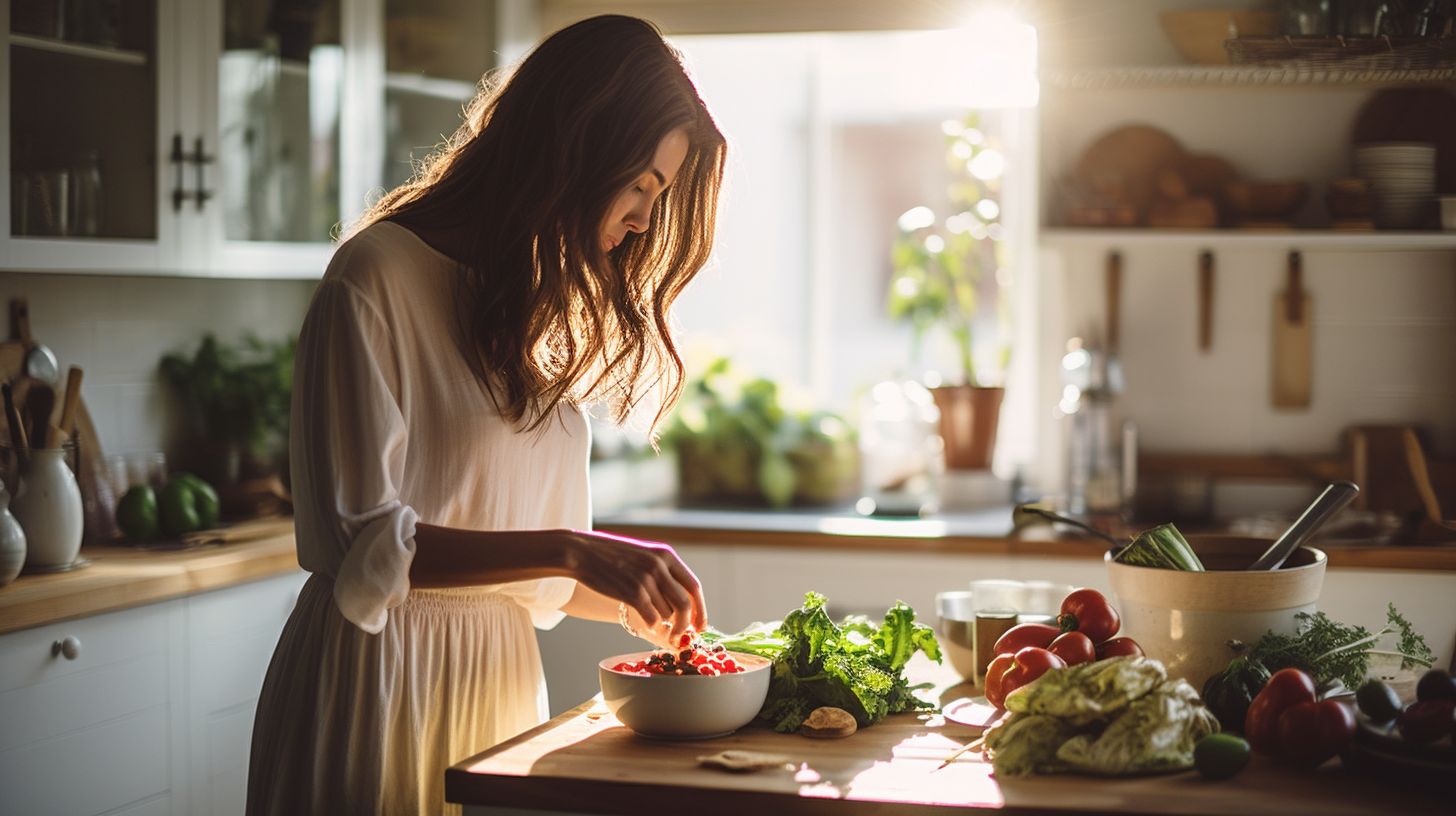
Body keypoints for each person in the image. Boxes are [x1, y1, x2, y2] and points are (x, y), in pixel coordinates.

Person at [246, 15, 727, 816]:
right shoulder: (374, 278)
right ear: (573, 147)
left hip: (494, 697)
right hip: (378, 690)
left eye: (660, 194)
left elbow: (531, 572)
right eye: (641, 184)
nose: (647, 218)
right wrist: (578, 551)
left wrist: (650, 606)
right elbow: (365, 544)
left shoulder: (528, 300)